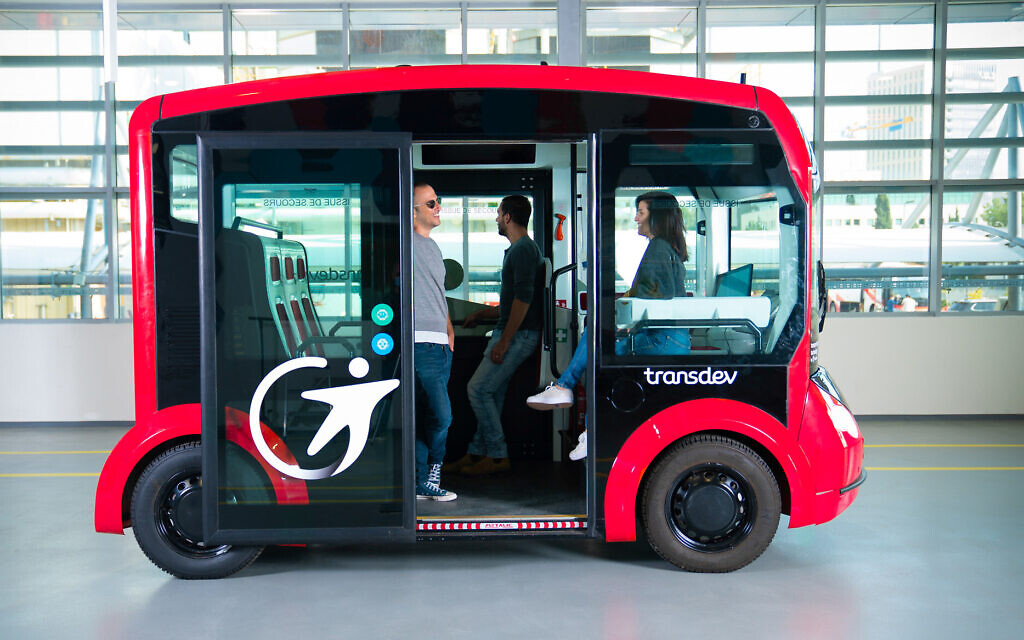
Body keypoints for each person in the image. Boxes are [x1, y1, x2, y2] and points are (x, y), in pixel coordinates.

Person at [527, 191, 691, 460]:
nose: (636, 218)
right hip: (667, 337)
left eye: (642, 212)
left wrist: (625, 317)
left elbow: (656, 299)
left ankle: (582, 416)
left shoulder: (659, 248)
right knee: (596, 335)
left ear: (657, 217)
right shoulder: (666, 248)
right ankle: (572, 400)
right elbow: (654, 294)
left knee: (598, 346)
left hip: (662, 339)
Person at [445, 195, 544, 476]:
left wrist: (504, 340)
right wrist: (484, 315)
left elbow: (523, 301)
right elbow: (514, 301)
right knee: (491, 394)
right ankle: (478, 453)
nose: (497, 219)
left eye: (499, 214)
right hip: (512, 331)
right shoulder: (520, 249)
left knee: (477, 389)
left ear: (509, 217)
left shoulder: (523, 250)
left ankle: (499, 456)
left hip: (517, 336)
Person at [411, 182, 457, 501]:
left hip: (441, 345)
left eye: (438, 201)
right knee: (442, 416)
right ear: (413, 211)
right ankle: (431, 471)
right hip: (420, 344)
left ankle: (421, 481)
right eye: (430, 204)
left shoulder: (434, 246)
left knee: (429, 416)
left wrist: (449, 330)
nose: (438, 207)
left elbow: (437, 295)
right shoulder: (406, 242)